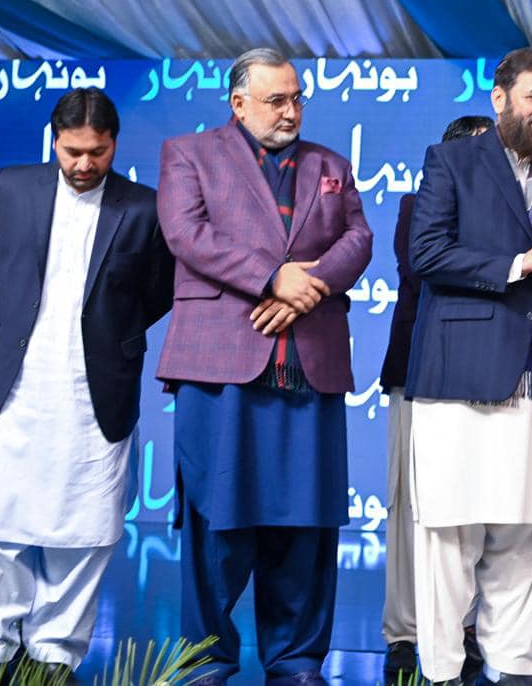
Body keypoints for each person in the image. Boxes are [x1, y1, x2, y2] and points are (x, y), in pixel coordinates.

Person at [155, 48, 373, 685]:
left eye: (297, 98)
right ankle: (206, 662)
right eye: (277, 100)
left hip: (309, 364)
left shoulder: (331, 164)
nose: (291, 111)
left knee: (307, 522)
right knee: (216, 521)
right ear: (238, 102)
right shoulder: (188, 154)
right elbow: (185, 233)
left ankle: (298, 662)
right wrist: (272, 278)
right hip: (221, 365)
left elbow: (357, 239)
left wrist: (310, 286)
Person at [404, 47, 532, 685]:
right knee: (451, 535)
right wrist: (522, 262)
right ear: (501, 99)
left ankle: (513, 667)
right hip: (461, 376)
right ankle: (440, 672)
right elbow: (427, 253)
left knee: (530, 536)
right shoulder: (451, 160)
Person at [0, 88, 174, 678]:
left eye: (96, 153)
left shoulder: (145, 207)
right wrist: (15, 327)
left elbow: (158, 292)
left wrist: (109, 335)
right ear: (54, 141)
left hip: (95, 390)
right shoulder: (13, 187)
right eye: (72, 151)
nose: (83, 164)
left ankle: (54, 654)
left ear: (114, 145)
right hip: (15, 385)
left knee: (84, 529)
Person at [379, 115, 494, 677]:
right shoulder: (415, 205)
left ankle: (462, 626)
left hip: (488, 377)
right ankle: (405, 630)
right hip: (420, 372)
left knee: (476, 513)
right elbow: (428, 272)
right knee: (413, 510)